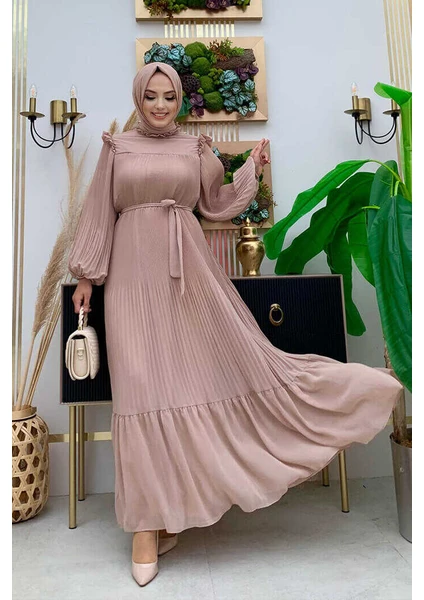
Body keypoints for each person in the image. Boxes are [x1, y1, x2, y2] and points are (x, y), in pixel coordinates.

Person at [68, 62, 403, 587]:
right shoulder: (117, 148)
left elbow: (217, 204)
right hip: (131, 281)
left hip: (189, 276)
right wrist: (87, 275)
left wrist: (249, 172)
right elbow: (97, 215)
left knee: (206, 378)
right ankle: (145, 526)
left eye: (169, 96)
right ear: (138, 97)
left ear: (180, 100)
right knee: (139, 392)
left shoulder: (195, 150)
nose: (160, 105)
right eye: (151, 96)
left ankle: (345, 395)